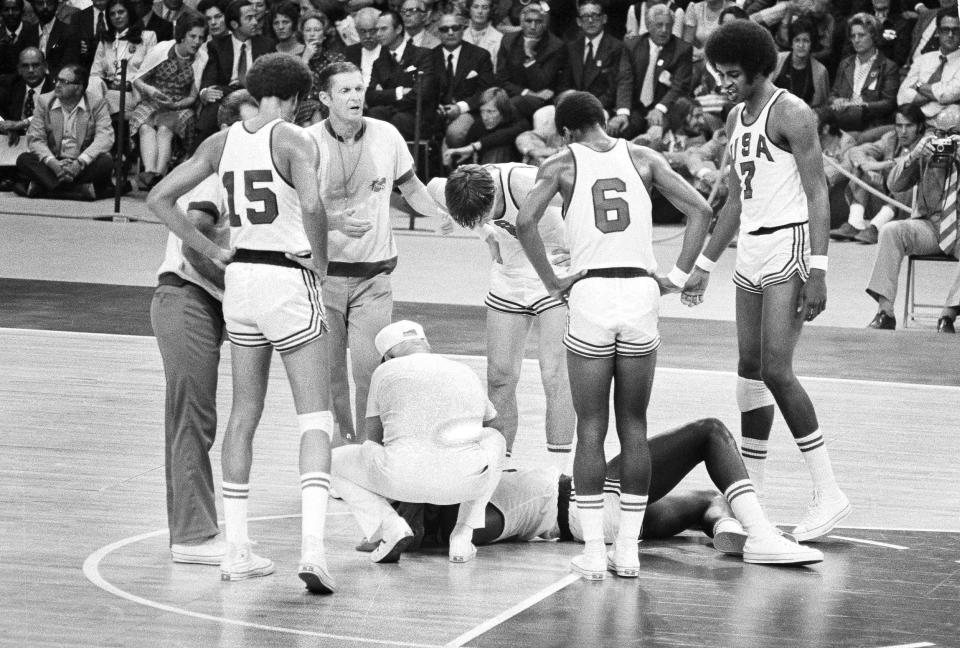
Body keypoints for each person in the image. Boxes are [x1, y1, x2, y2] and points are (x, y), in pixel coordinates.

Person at [148, 53, 336, 595]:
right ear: (301, 99)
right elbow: (315, 207)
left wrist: (212, 250)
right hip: (284, 278)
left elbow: (160, 197)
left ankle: (235, 552)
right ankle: (314, 551)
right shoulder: (296, 139)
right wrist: (319, 263)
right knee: (314, 419)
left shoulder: (222, 141)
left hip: (242, 285)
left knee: (242, 415)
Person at [516, 91, 712, 580]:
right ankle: (628, 549)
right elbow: (702, 211)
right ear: (605, 120)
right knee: (634, 425)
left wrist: (552, 281)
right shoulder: (644, 156)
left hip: (591, 293)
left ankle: (595, 553)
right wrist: (680, 275)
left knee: (590, 427)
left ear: (564, 132)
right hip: (641, 292)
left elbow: (523, 222)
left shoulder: (561, 163)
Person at [684, 20, 851, 544]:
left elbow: (818, 193)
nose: (725, 82)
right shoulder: (737, 116)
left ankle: (828, 491)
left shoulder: (793, 113)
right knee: (749, 369)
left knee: (778, 370)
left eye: (733, 74)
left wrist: (820, 270)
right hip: (751, 247)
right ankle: (751, 492)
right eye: (720, 73)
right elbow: (735, 198)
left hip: (790, 243)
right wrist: (704, 266)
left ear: (759, 69)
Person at [401, 418, 823, 567]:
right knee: (708, 433)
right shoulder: (472, 518)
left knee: (704, 503)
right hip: (594, 500)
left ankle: (725, 523)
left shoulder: (467, 505)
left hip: (599, 521)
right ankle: (763, 534)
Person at [307, 61, 447, 443]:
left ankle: (369, 448)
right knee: (332, 372)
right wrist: (334, 222)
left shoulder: (386, 134)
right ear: (325, 98)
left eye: (359, 89)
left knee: (370, 369)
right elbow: (295, 210)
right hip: (324, 276)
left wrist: (440, 215)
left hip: (374, 276)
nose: (355, 97)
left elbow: (412, 188)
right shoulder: (307, 143)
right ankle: (342, 447)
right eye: (345, 91)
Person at [150, 89, 255, 567]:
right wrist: (234, 290)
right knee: (193, 416)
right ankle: (192, 537)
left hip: (206, 302)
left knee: (200, 417)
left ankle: (198, 529)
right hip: (186, 297)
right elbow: (193, 238)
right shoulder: (218, 170)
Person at [430, 162, 575, 469]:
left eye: (485, 214)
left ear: (493, 192)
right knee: (500, 377)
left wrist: (584, 247)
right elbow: (430, 186)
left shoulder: (522, 182)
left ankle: (559, 476)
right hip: (509, 273)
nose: (483, 220)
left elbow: (585, 192)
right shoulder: (456, 189)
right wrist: (486, 234)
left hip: (554, 267)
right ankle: (500, 468)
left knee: (555, 375)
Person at [329, 320, 506, 564]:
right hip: (464, 484)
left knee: (333, 461)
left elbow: (374, 438)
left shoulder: (383, 372)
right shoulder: (464, 370)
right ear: (425, 344)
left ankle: (389, 527)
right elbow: (496, 426)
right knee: (495, 439)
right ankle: (463, 535)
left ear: (388, 356)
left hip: (399, 482)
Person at [865, 103, 960, 333]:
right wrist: (912, 158)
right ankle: (885, 312)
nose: (945, 140)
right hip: (929, 226)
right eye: (941, 133)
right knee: (891, 230)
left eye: (953, 134)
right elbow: (894, 185)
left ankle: (948, 315)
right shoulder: (926, 150)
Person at [16, 63, 115, 199]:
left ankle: (46, 187)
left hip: (81, 162)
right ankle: (78, 190)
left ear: (79, 87)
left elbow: (105, 138)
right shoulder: (45, 101)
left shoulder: (96, 103)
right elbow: (36, 139)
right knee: (24, 160)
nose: (57, 85)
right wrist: (53, 163)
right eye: (57, 80)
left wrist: (79, 163)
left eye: (64, 82)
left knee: (106, 162)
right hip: (54, 161)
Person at [830, 105, 925, 245]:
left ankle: (876, 227)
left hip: (912, 204)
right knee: (861, 170)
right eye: (899, 126)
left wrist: (880, 165)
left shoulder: (926, 140)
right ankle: (855, 223)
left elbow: (912, 159)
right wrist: (867, 166)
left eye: (909, 126)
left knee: (907, 176)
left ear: (920, 126)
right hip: (886, 194)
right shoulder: (891, 138)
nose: (903, 131)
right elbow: (856, 151)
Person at [607, 3, 693, 140]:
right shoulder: (632, 46)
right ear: (648, 25)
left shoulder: (682, 50)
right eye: (659, 25)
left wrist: (660, 109)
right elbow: (625, 81)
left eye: (668, 25)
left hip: (665, 109)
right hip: (637, 108)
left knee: (652, 139)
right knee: (618, 133)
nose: (664, 30)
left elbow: (680, 86)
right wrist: (623, 112)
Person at [196, 0, 275, 143]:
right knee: (211, 113)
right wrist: (205, 92)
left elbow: (273, 78)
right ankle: (195, 155)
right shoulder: (217, 46)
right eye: (249, 18)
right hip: (227, 95)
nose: (255, 22)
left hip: (256, 95)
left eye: (255, 17)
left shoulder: (266, 45)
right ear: (234, 24)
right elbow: (209, 77)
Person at [815, 12, 899, 134]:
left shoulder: (888, 67)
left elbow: (889, 103)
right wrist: (835, 101)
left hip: (869, 121)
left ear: (873, 36)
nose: (856, 40)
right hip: (842, 115)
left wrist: (863, 105)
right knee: (812, 114)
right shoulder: (845, 63)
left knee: (822, 114)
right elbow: (833, 94)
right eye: (853, 36)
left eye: (861, 35)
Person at [434, 10, 495, 150]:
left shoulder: (480, 56)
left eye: (455, 28)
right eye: (444, 29)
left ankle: (459, 169)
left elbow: (486, 91)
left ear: (463, 29)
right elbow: (425, 88)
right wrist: (435, 105)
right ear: (438, 32)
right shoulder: (430, 57)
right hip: (436, 111)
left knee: (455, 134)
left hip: (469, 111)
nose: (450, 33)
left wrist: (461, 107)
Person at [898, 7, 960, 127]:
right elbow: (902, 97)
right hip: (910, 124)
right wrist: (934, 95)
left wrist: (918, 85)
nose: (950, 35)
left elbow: (947, 95)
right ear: (937, 32)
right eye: (945, 29)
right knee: (863, 141)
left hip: (942, 127)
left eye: (956, 30)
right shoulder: (923, 59)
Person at [443, 86, 526, 167]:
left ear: (502, 111)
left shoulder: (516, 119)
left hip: (511, 171)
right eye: (482, 111)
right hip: (483, 170)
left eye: (490, 111)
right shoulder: (478, 126)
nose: (485, 117)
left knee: (499, 149)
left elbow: (510, 133)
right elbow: (464, 158)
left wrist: (475, 147)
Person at [771, 17, 830, 111]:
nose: (801, 45)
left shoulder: (820, 72)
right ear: (792, 43)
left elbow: (823, 108)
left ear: (812, 43)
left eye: (806, 41)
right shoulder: (777, 60)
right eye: (797, 40)